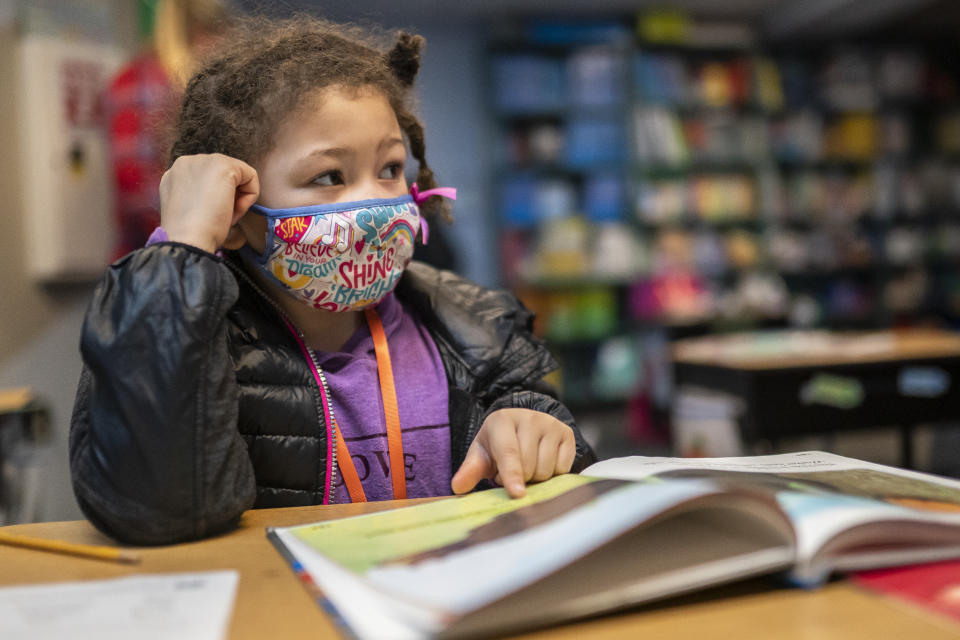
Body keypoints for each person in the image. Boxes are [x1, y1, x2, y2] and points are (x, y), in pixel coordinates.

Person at [70, 16, 596, 546]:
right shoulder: (194, 339)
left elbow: (565, 467)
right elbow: (157, 506)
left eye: (390, 168)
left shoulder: (476, 324)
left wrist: (533, 428)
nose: (377, 202)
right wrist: (181, 249)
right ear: (233, 212)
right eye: (329, 176)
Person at [104, 0, 232, 260]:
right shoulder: (147, 86)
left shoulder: (134, 81)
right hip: (162, 259)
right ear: (201, 33)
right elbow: (140, 197)